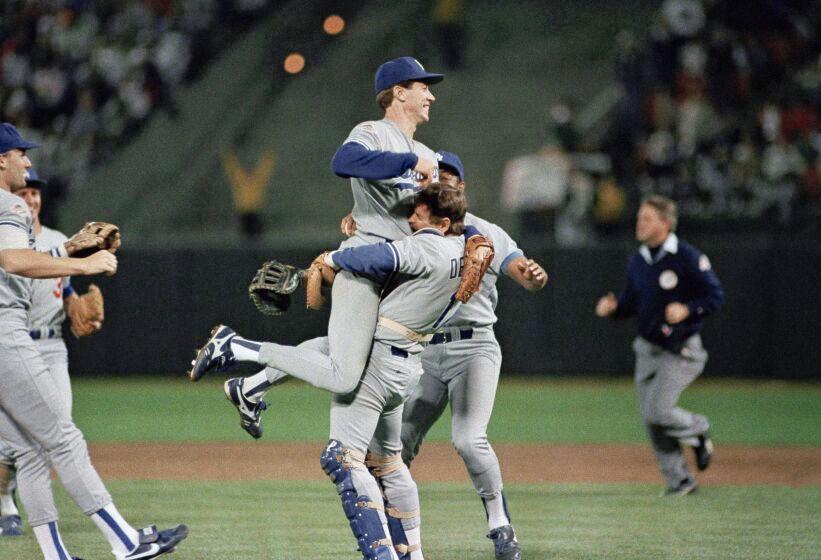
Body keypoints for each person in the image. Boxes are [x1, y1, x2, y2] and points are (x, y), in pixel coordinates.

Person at [191, 183, 472, 560]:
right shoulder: (461, 246)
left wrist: (333, 257)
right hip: (406, 365)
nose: (410, 218)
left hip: (380, 363)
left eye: (419, 214)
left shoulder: (427, 245)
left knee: (342, 457)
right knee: (389, 463)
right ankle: (414, 555)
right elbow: (458, 231)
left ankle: (237, 347)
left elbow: (371, 259)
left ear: (441, 223)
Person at [215, 56, 445, 437]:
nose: (431, 97)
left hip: (398, 273)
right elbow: (345, 161)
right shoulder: (374, 132)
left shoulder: (427, 153)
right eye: (423, 88)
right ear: (399, 93)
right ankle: (237, 347)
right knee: (345, 375)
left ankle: (250, 386)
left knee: (347, 350)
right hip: (365, 265)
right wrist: (408, 162)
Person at [0, 122, 188, 560]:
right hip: (7, 338)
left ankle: (56, 556)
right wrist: (85, 266)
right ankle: (126, 544)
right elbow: (12, 260)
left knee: (29, 449)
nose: (27, 161)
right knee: (64, 439)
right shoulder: (8, 204)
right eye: (19, 154)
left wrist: (65, 254)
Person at [400, 151, 547, 560]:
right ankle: (393, 526)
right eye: (434, 176)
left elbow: (524, 274)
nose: (441, 181)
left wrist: (533, 276)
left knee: (468, 438)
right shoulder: (410, 227)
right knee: (399, 441)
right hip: (425, 348)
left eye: (448, 176)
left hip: (474, 346)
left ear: (461, 185)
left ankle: (501, 526)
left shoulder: (486, 232)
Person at [0, 168, 109, 538]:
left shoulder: (58, 238)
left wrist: (77, 308)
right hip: (14, 343)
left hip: (50, 347)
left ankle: (35, 524)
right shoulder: (9, 231)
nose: (31, 198)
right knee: (19, 445)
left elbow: (63, 293)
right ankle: (6, 502)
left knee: (53, 433)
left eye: (36, 194)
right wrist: (79, 259)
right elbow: (21, 265)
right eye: (26, 192)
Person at [595, 194, 724, 496]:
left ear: (665, 223)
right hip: (647, 348)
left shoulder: (687, 257)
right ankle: (680, 480)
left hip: (680, 349)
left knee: (659, 411)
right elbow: (630, 304)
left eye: (647, 218)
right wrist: (613, 308)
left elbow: (715, 296)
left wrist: (687, 310)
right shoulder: (639, 259)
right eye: (640, 217)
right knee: (651, 420)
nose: (639, 223)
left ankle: (698, 429)